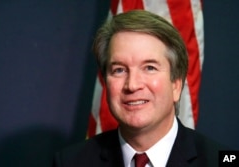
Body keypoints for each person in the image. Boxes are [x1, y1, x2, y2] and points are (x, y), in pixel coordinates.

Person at [53, 10, 225, 167]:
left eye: (149, 68)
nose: (132, 85)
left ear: (176, 85)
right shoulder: (70, 162)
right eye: (119, 70)